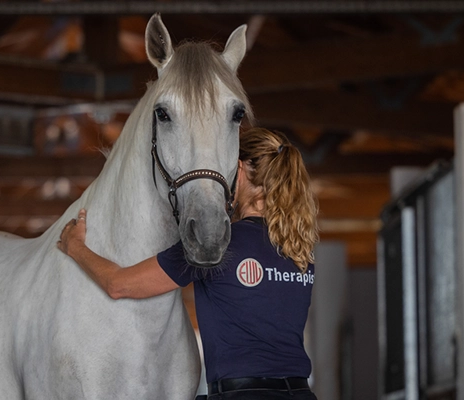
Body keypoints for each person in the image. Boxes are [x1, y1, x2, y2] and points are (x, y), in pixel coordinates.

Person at [57, 127, 319, 400]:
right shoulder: (298, 250)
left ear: (238, 170)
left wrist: (75, 247)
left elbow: (118, 285)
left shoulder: (218, 243)